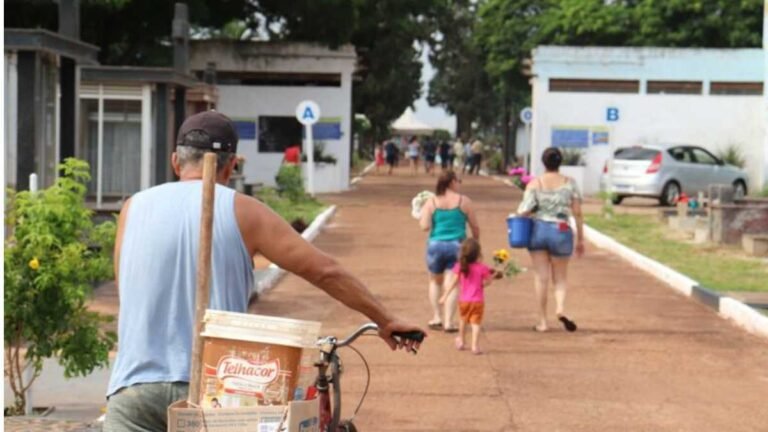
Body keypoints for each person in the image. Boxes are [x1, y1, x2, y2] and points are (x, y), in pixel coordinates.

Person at [104, 111, 424, 432]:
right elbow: (325, 271)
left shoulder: (132, 208)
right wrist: (384, 319)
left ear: (176, 162)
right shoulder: (244, 211)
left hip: (132, 391)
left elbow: (126, 289)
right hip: (213, 390)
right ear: (230, 166)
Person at [517, 147, 584, 333]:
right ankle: (560, 308)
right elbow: (578, 213)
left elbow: (524, 210)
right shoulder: (570, 183)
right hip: (561, 230)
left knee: (541, 278)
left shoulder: (535, 183)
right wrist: (580, 239)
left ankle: (542, 322)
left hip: (538, 231)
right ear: (560, 162)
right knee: (560, 278)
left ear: (543, 162)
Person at [419, 171, 480, 333]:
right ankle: (448, 321)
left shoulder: (432, 202)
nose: (459, 184)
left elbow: (424, 226)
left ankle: (436, 317)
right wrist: (475, 243)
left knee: (434, 282)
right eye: (458, 181)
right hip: (457, 245)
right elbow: (475, 226)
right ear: (452, 182)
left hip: (435, 245)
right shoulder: (464, 201)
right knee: (452, 283)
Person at [439, 238, 501, 354]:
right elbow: (487, 282)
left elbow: (454, 282)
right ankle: (475, 346)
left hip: (464, 300)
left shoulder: (460, 266)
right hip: (478, 301)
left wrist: (445, 296)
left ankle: (462, 341)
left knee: (463, 320)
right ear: (478, 254)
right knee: (475, 323)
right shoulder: (482, 268)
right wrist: (492, 277)